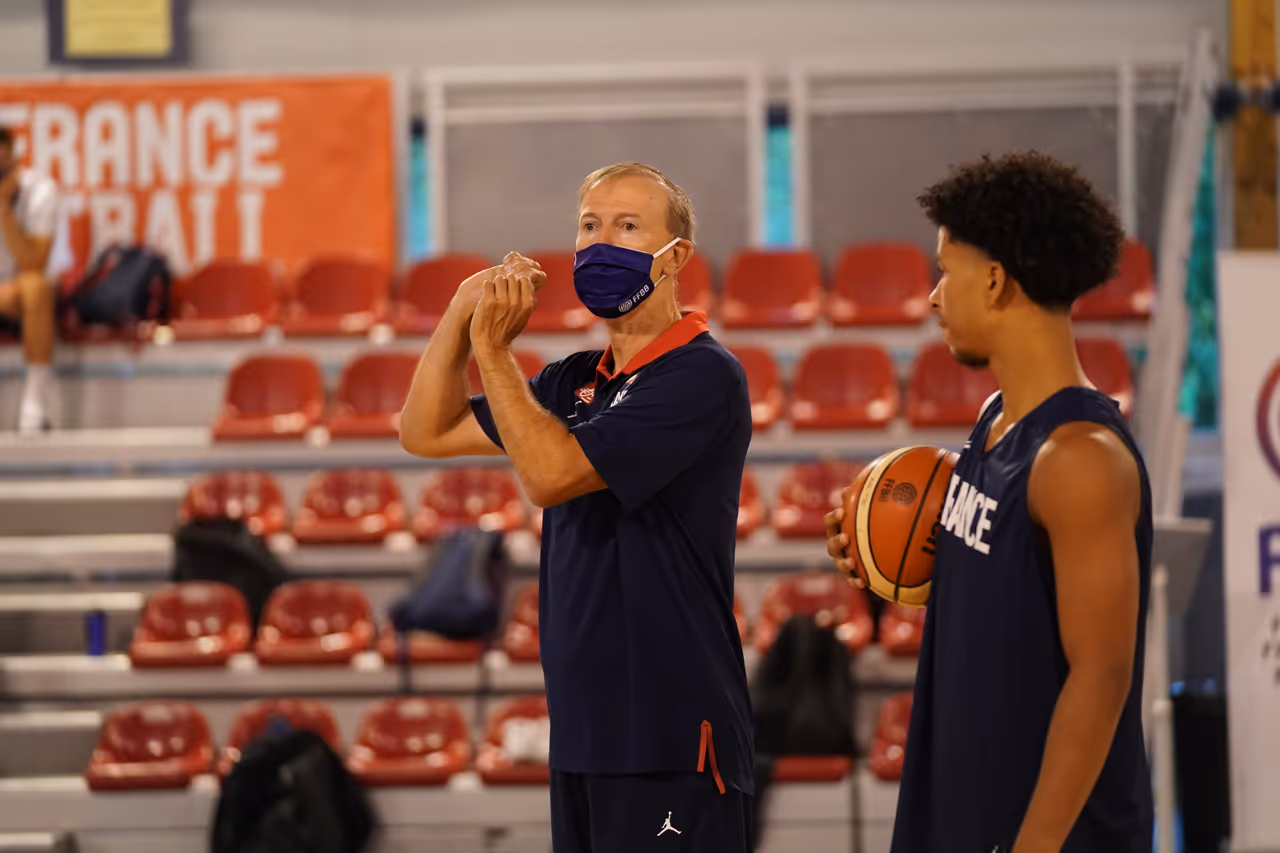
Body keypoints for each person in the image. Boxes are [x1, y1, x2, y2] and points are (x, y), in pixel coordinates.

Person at [400, 161, 755, 852]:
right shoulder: (573, 380)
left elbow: (552, 475)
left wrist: (494, 353)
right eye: (589, 226)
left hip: (671, 736)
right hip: (585, 732)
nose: (600, 243)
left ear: (674, 256)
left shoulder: (703, 374)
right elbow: (425, 430)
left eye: (627, 226)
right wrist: (461, 311)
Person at [825, 151, 1152, 853]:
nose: (937, 296)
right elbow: (1003, 593)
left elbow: (1101, 675)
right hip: (962, 806)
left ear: (998, 281)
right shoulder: (996, 421)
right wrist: (880, 554)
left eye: (948, 269)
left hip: (1050, 833)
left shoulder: (1080, 460)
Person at [0, 126, 61, 433]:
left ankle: (34, 402)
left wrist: (4, 213)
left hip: (21, 291)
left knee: (36, 285)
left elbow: (34, 261)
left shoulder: (40, 190)